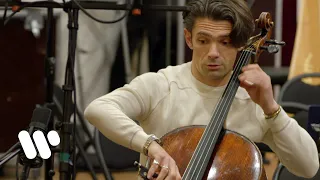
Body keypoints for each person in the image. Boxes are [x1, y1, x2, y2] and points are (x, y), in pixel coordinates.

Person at [84, 0, 319, 179]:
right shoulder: (163, 84)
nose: (213, 52)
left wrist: (271, 107)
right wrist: (151, 146)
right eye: (203, 40)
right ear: (189, 39)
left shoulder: (254, 101)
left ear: (240, 42)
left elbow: (309, 167)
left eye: (225, 42)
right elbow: (98, 109)